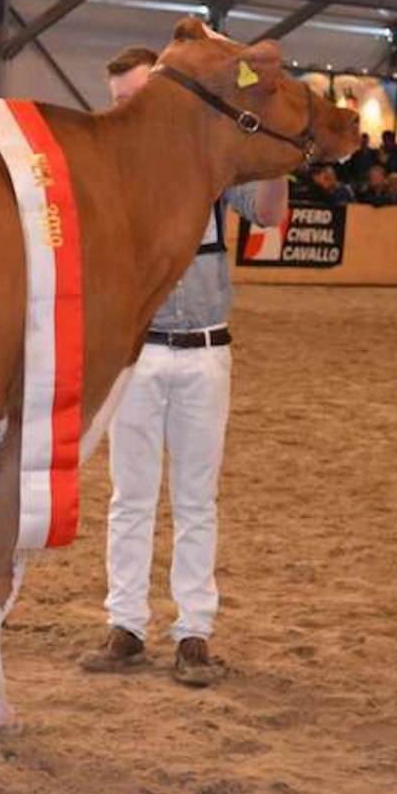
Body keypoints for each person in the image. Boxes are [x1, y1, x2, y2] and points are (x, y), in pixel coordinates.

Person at [79, 44, 287, 686]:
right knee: (131, 498)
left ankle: (194, 631)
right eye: (117, 102)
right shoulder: (107, 173)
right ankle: (126, 626)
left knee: (197, 499)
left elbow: (269, 213)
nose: (124, 112)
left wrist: (281, 152)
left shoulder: (213, 161)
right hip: (136, 354)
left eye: (134, 98)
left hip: (205, 347)